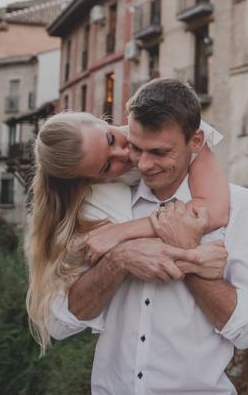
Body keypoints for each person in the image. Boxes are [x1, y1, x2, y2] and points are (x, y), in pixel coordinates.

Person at [51, 78, 248, 395]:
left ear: (196, 141)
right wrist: (118, 260)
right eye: (136, 147)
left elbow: (247, 332)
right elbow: (59, 324)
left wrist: (186, 252)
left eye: (159, 152)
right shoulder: (104, 205)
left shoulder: (240, 206)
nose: (143, 164)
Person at [24, 110, 231, 356]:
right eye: (106, 166)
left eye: (111, 139)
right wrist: (193, 260)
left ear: (101, 121)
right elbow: (58, 324)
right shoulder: (95, 198)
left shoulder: (170, 129)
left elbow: (216, 210)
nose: (125, 155)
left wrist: (121, 233)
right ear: (88, 178)